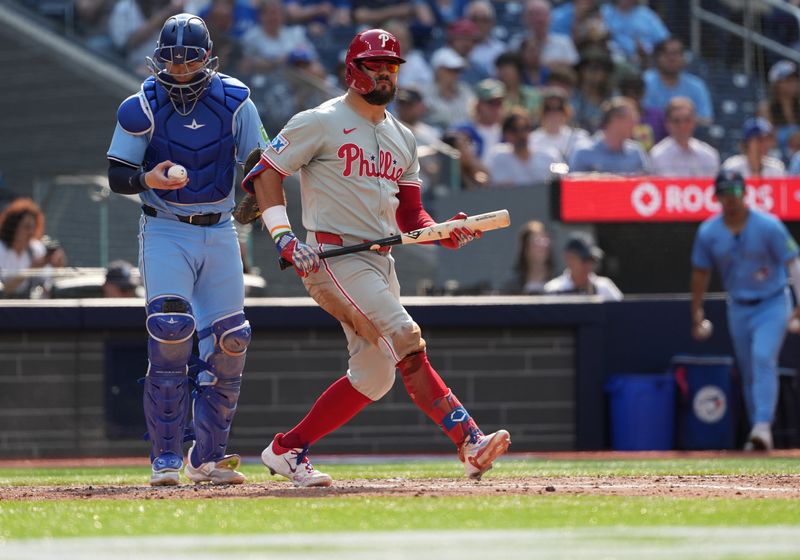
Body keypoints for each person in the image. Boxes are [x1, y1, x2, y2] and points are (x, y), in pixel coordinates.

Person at [244, 28, 511, 487]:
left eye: (391, 65)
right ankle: (469, 440)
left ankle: (286, 450)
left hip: (381, 259)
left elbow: (412, 217)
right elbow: (265, 175)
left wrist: (443, 233)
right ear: (354, 68)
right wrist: (284, 238)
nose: (385, 72)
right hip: (332, 254)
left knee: (373, 377)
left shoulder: (404, 137)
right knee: (405, 334)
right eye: (375, 64)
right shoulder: (320, 120)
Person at [106, 13, 268, 486]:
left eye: (189, 58)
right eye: (171, 59)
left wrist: (255, 199)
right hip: (166, 227)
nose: (179, 69)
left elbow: (260, 163)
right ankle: (165, 457)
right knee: (170, 329)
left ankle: (209, 456)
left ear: (208, 58)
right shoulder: (141, 105)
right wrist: (147, 179)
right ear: (159, 58)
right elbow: (118, 174)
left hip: (219, 229)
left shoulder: (236, 100)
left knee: (231, 340)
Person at [690, 170, 800, 451]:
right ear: (717, 197)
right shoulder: (709, 231)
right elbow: (700, 272)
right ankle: (758, 430)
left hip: (773, 302)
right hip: (738, 306)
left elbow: (793, 263)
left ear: (745, 193)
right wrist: (696, 312)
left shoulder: (768, 225)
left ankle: (763, 425)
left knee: (763, 357)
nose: (730, 199)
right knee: (749, 369)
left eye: (735, 192)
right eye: (725, 193)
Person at [0, 198, 66, 298]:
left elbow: (47, 288)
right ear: (13, 226)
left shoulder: (36, 248)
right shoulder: (1, 250)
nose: (31, 232)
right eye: (26, 227)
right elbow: (5, 289)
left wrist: (57, 268)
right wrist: (31, 269)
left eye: (33, 227)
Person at [568, 96, 651, 175]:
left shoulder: (636, 152)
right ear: (615, 120)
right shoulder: (583, 152)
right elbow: (572, 187)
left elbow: (645, 184)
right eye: (631, 121)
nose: (635, 125)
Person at [642, 37, 714, 126]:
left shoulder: (696, 85)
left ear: (683, 58)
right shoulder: (645, 82)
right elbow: (638, 116)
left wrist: (682, 118)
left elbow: (706, 120)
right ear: (657, 57)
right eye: (666, 53)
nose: (671, 58)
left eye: (676, 54)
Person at [487, 109, 563, 187]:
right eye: (514, 129)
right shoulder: (497, 158)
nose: (521, 134)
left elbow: (562, 184)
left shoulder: (550, 156)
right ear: (505, 134)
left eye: (525, 128)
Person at [650, 97, 720, 178]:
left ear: (694, 121)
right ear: (667, 124)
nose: (682, 126)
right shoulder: (657, 155)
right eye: (676, 121)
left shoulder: (709, 155)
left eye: (687, 120)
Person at [544, 232, 622, 300]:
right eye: (584, 259)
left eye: (592, 260)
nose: (588, 265)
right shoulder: (553, 289)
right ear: (569, 258)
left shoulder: (604, 286)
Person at [721, 117, 786, 178]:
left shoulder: (777, 169)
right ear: (747, 143)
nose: (764, 144)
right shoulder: (733, 168)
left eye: (767, 140)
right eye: (759, 140)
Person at [503, 220, 553, 294]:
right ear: (525, 248)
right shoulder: (512, 285)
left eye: (545, 241)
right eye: (537, 241)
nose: (543, 246)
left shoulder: (559, 283)